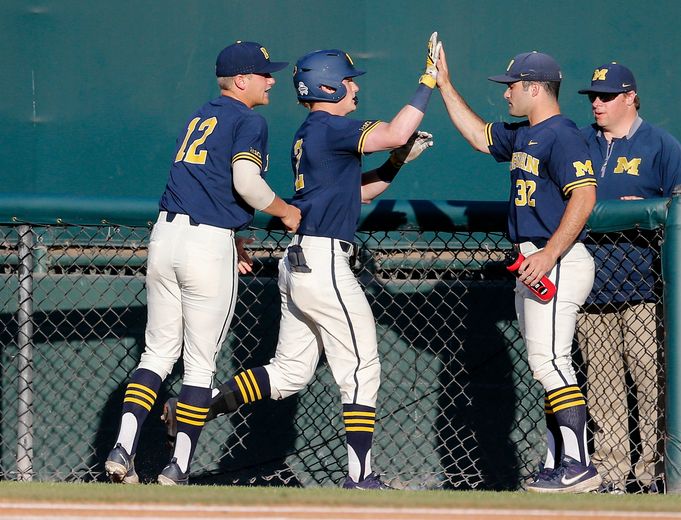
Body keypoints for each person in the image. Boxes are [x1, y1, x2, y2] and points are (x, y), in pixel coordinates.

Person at [161, 35, 439, 489]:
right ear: (327, 87)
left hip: (301, 262)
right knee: (362, 366)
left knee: (289, 373)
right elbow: (396, 132)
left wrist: (394, 166)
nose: (355, 89)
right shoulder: (331, 128)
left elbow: (359, 191)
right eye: (348, 82)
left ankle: (206, 404)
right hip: (325, 261)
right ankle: (361, 475)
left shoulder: (313, 133)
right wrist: (429, 81)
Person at [104, 41, 301, 486]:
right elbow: (246, 182)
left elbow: (203, 183)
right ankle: (178, 467)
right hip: (206, 245)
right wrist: (286, 212)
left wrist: (232, 237)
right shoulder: (250, 119)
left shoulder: (199, 115)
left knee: (156, 353)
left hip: (165, 237)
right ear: (242, 80)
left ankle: (123, 447)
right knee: (199, 365)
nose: (272, 81)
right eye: (265, 74)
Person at [435, 45, 601, 493]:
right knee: (545, 363)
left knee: (550, 361)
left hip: (556, 258)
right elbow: (479, 136)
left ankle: (580, 464)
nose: (506, 94)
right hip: (536, 259)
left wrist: (549, 254)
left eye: (512, 86)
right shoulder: (527, 134)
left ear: (534, 87)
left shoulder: (563, 135)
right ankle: (557, 462)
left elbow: (584, 197)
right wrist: (445, 86)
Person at [575, 62, 681, 494]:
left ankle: (651, 475)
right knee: (602, 388)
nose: (597, 102)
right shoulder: (580, 144)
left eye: (606, 95)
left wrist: (650, 209)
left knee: (651, 386)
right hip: (590, 287)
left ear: (630, 97)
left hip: (644, 287)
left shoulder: (660, 145)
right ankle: (610, 473)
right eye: (593, 95)